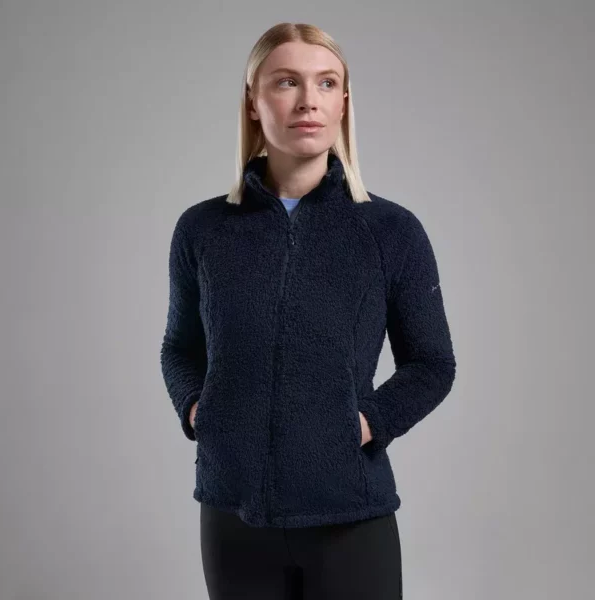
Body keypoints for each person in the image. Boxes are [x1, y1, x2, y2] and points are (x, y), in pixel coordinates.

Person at [160, 21, 456, 600]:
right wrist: (199, 410)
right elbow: (180, 348)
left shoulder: (390, 231)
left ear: (343, 102)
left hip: (349, 515)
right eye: (286, 82)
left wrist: (364, 424)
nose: (308, 101)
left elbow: (432, 364)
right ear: (253, 101)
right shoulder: (203, 229)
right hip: (232, 515)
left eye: (326, 83)